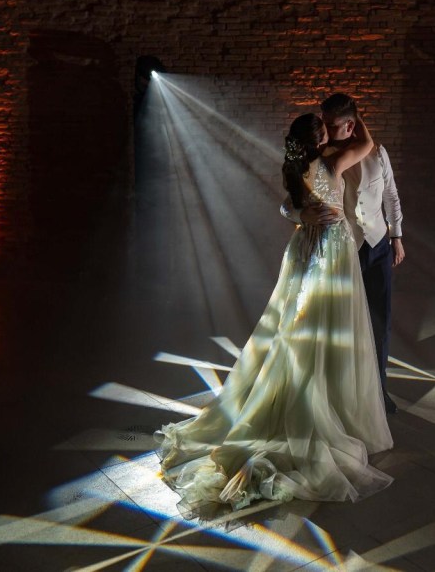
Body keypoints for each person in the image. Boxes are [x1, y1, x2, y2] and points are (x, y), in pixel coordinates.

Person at [154, 112, 393, 519]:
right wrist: (359, 116)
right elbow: (366, 145)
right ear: (318, 138)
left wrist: (301, 217)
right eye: (324, 128)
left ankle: (312, 392)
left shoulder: (296, 167)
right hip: (329, 253)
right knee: (324, 329)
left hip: (303, 250)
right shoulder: (330, 164)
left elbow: (288, 205)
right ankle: (320, 406)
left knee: (299, 329)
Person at [281, 93, 405, 413]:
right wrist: (301, 216)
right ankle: (342, 395)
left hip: (377, 245)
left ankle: (379, 391)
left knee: (380, 322)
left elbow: (390, 195)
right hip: (343, 251)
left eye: (330, 123)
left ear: (348, 124)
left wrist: (396, 236)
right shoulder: (325, 158)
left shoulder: (378, 154)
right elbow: (287, 203)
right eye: (322, 123)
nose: (324, 126)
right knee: (341, 325)